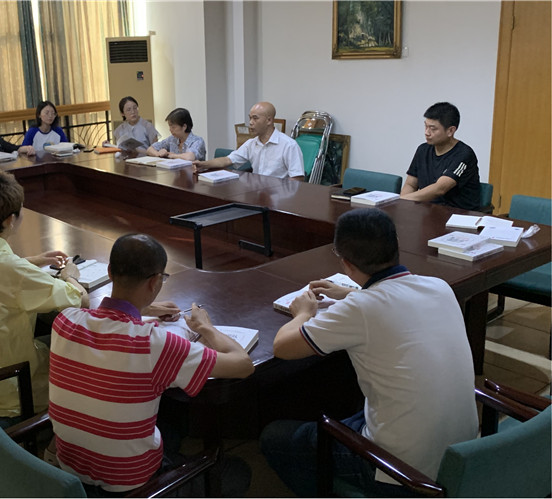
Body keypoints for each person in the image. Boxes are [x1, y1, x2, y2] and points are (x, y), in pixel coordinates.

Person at [260, 208, 478, 497]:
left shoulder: (360, 309)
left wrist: (303, 312)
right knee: (352, 410)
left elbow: (283, 347)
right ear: (395, 246)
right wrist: (352, 292)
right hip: (463, 454)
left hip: (402, 471)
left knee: (275, 437)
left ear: (346, 263)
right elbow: (393, 304)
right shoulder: (439, 287)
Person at [49, 233, 255, 494]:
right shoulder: (155, 344)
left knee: (167, 427)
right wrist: (206, 327)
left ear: (110, 271)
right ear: (155, 281)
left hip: (70, 474)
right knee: (236, 471)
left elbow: (97, 312)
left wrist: (143, 309)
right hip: (133, 487)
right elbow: (243, 365)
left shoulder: (65, 321)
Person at [0, 170, 89, 417]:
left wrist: (35, 260)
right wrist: (71, 275)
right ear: (10, 220)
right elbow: (79, 300)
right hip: (7, 384)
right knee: (84, 365)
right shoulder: (13, 270)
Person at [192, 102, 304, 180]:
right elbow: (227, 160)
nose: (250, 122)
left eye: (255, 118)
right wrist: (203, 164)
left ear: (269, 120)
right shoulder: (251, 143)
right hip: (257, 194)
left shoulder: (288, 145)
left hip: (278, 197)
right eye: (250, 118)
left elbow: (297, 179)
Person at [400, 102, 481, 210]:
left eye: (433, 128)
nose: (427, 132)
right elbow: (411, 184)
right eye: (426, 126)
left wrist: (402, 200)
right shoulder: (422, 150)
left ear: (450, 131)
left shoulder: (464, 154)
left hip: (457, 213)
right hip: (427, 211)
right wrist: (403, 203)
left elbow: (440, 189)